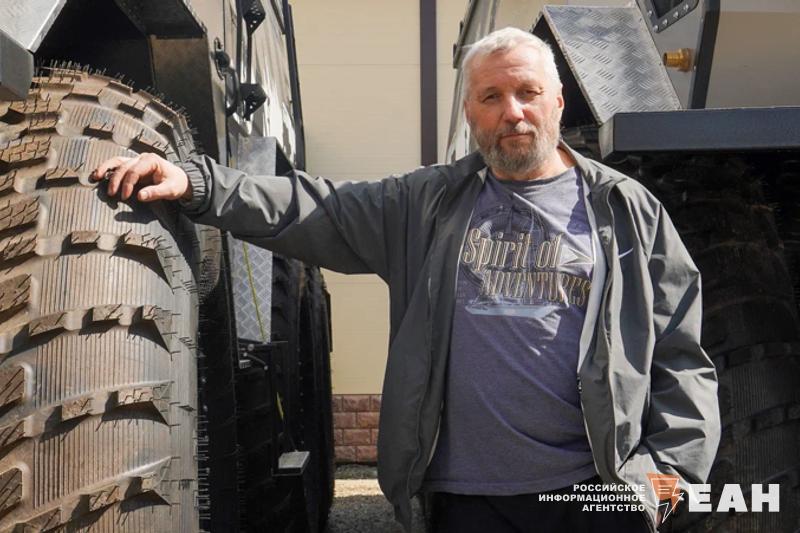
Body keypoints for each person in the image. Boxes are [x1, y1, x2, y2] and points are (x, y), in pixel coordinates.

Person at [92, 27, 720, 533]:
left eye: (528, 93)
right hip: (466, 499)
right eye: (491, 97)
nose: (513, 112)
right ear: (470, 112)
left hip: (594, 495)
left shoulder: (626, 210)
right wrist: (200, 184)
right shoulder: (426, 204)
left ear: (557, 101)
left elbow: (681, 357)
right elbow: (313, 207)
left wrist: (659, 487)